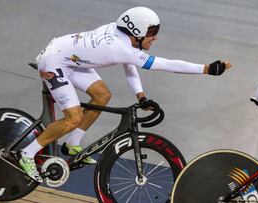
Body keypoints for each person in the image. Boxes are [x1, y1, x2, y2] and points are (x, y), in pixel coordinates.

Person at [19, 6, 232, 182]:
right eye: (151, 33)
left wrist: (141, 96)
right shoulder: (119, 47)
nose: (155, 38)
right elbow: (165, 64)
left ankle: (72, 144)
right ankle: (27, 154)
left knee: (102, 96)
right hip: (55, 61)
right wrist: (205, 69)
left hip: (70, 58)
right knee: (73, 117)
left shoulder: (119, 35)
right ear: (136, 31)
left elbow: (129, 64)